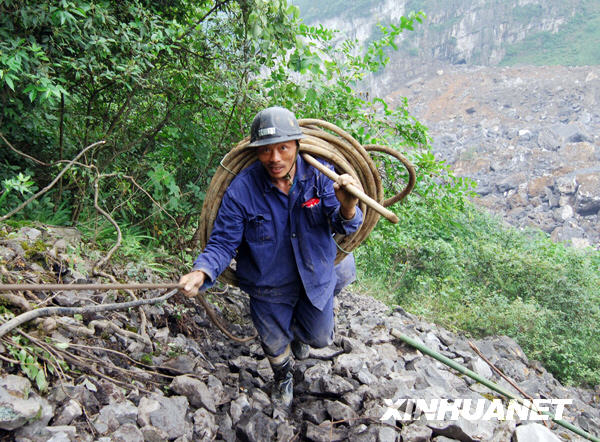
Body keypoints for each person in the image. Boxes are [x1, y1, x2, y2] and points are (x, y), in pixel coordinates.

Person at [179, 106, 363, 409]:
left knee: (319, 338)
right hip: (267, 282)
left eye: (283, 148)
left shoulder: (320, 173)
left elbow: (343, 224)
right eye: (265, 150)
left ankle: (300, 333)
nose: (275, 158)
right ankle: (283, 376)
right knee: (274, 343)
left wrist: (347, 207)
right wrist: (201, 272)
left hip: (313, 274)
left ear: (297, 145)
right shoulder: (241, 190)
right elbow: (223, 242)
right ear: (256, 152)